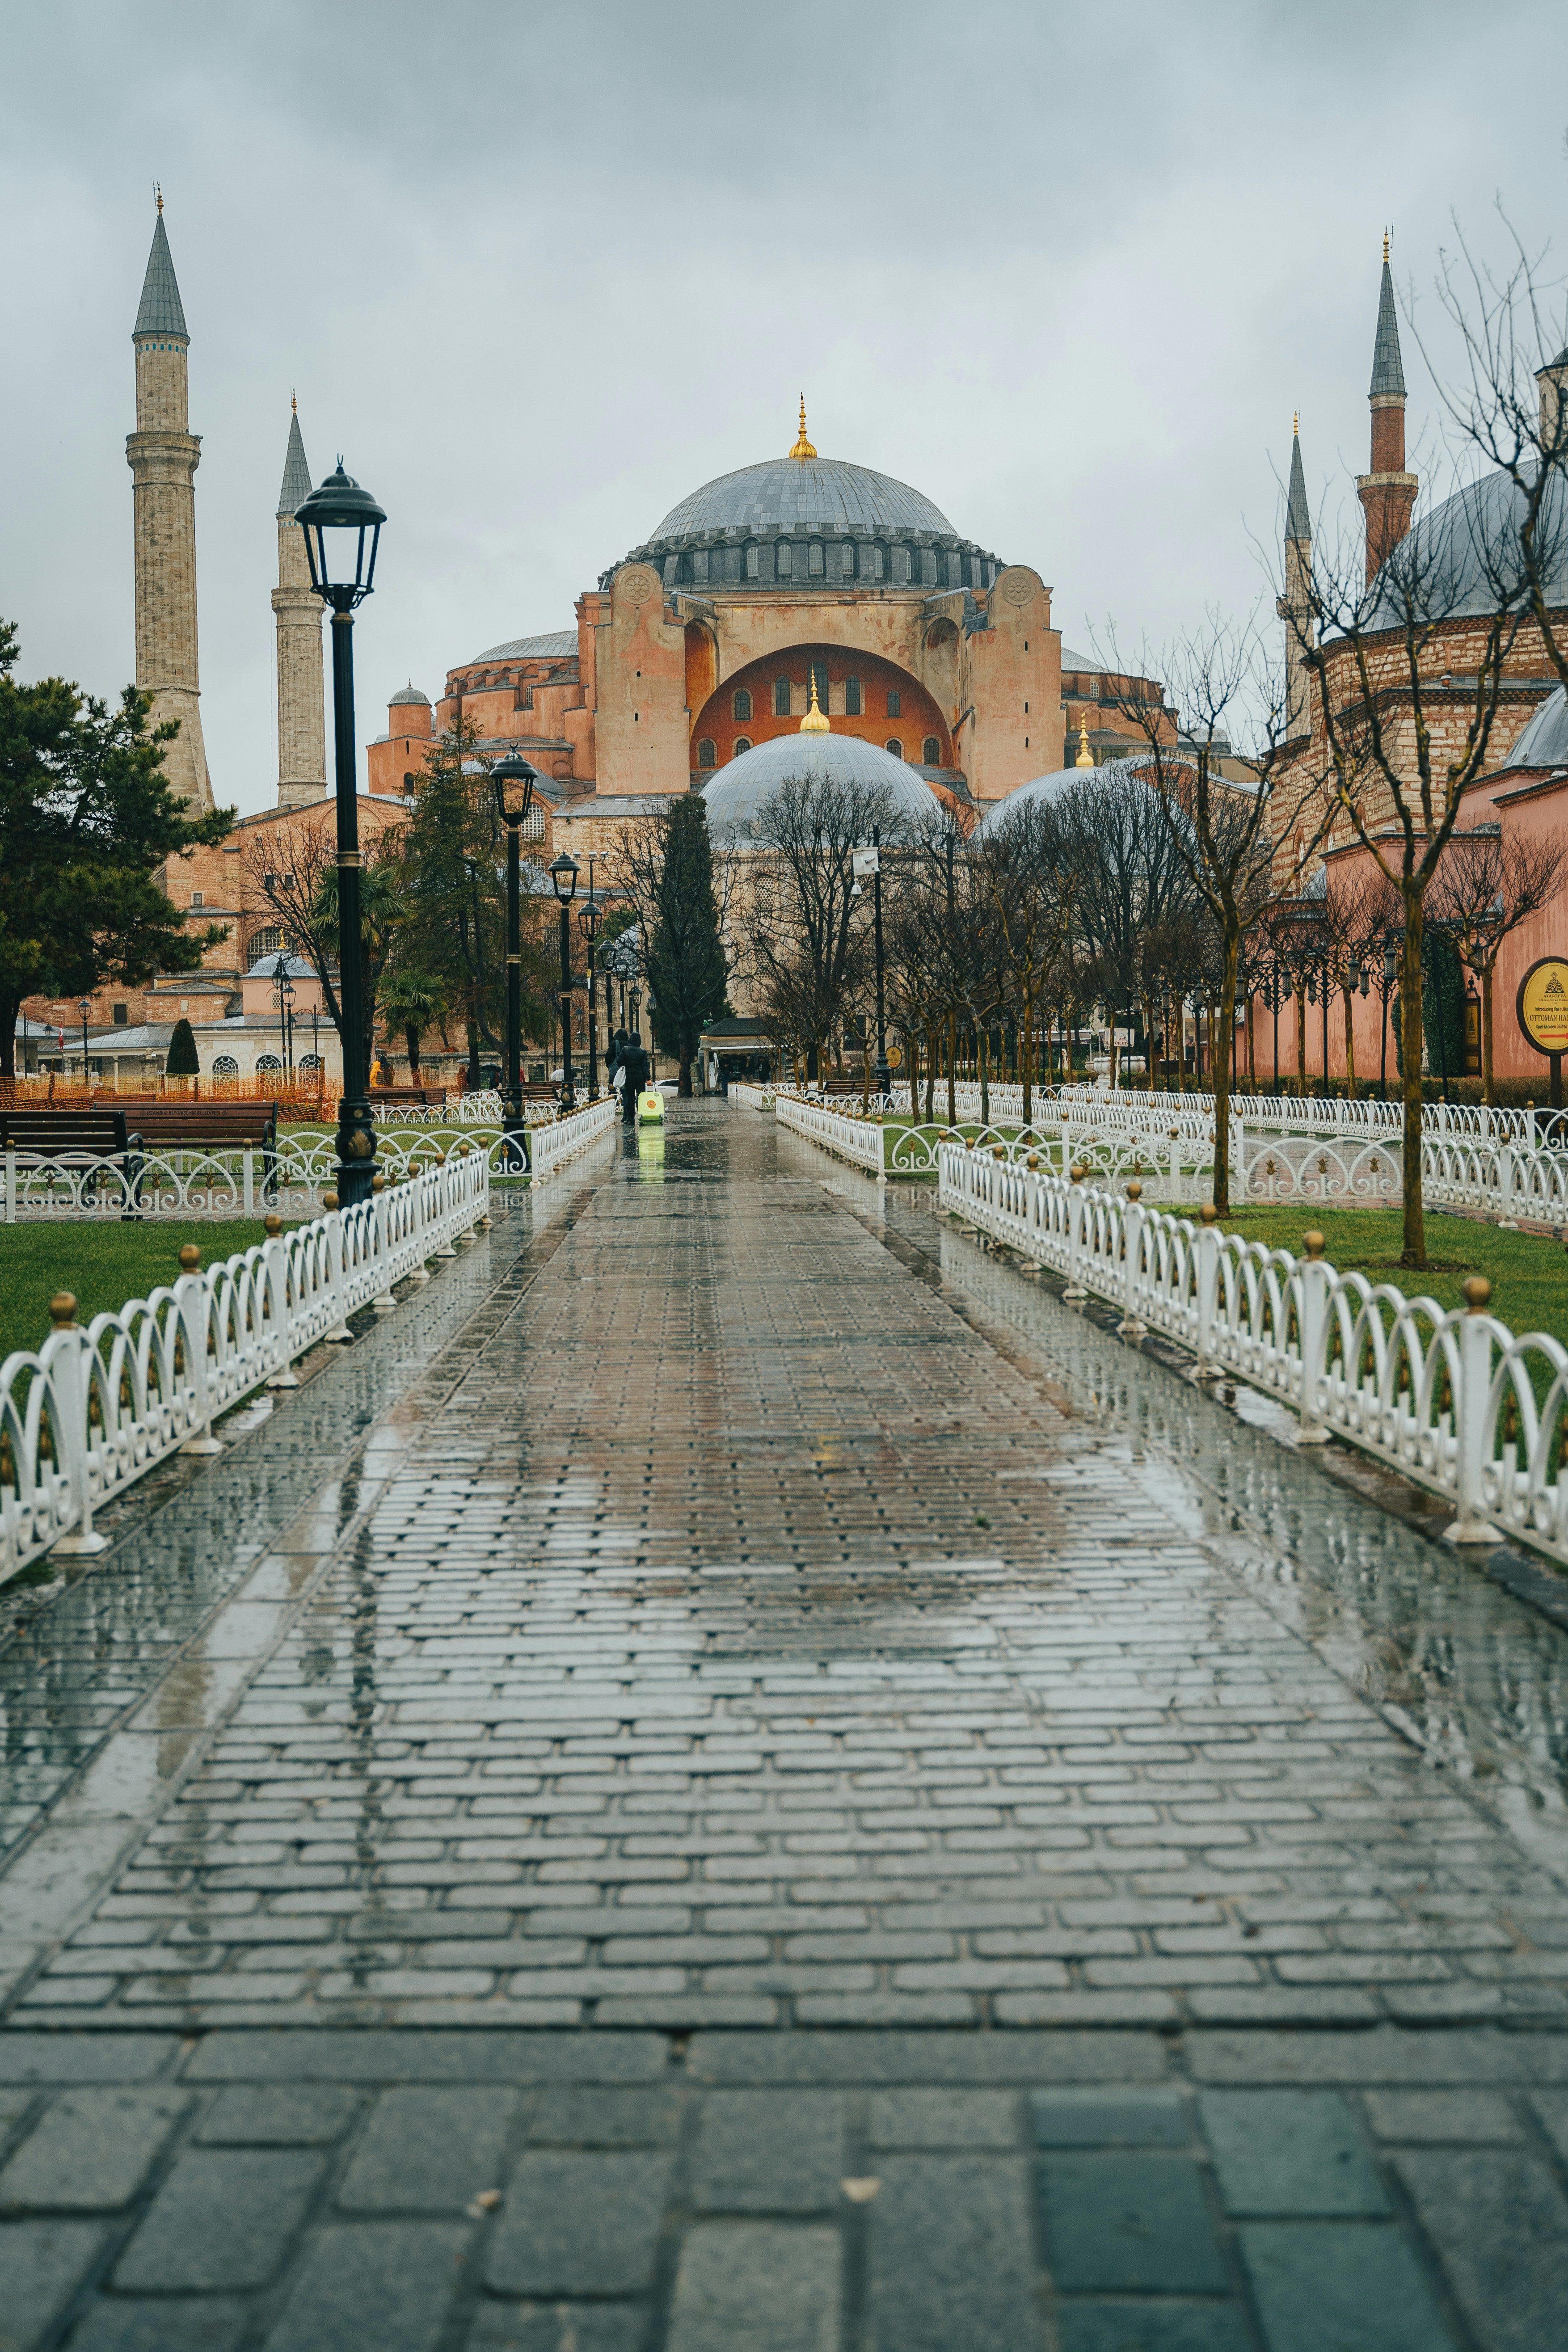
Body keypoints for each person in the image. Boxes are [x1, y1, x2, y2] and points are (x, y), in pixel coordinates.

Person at [618, 1032, 649, 1123]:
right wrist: (648, 1078)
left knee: (630, 1098)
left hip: (629, 1077)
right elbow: (645, 1066)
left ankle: (631, 1118)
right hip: (640, 1077)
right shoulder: (643, 1052)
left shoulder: (625, 1049)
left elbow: (619, 1062)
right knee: (641, 1097)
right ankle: (642, 1116)